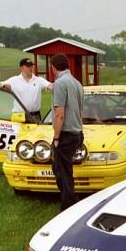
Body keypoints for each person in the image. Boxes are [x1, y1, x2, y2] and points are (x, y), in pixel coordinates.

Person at [50, 53, 84, 211]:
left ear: (53, 68)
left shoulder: (59, 83)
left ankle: (68, 206)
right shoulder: (77, 83)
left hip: (66, 134)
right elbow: (80, 110)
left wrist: (56, 138)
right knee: (65, 170)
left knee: (61, 172)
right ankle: (72, 200)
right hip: (77, 132)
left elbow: (60, 113)